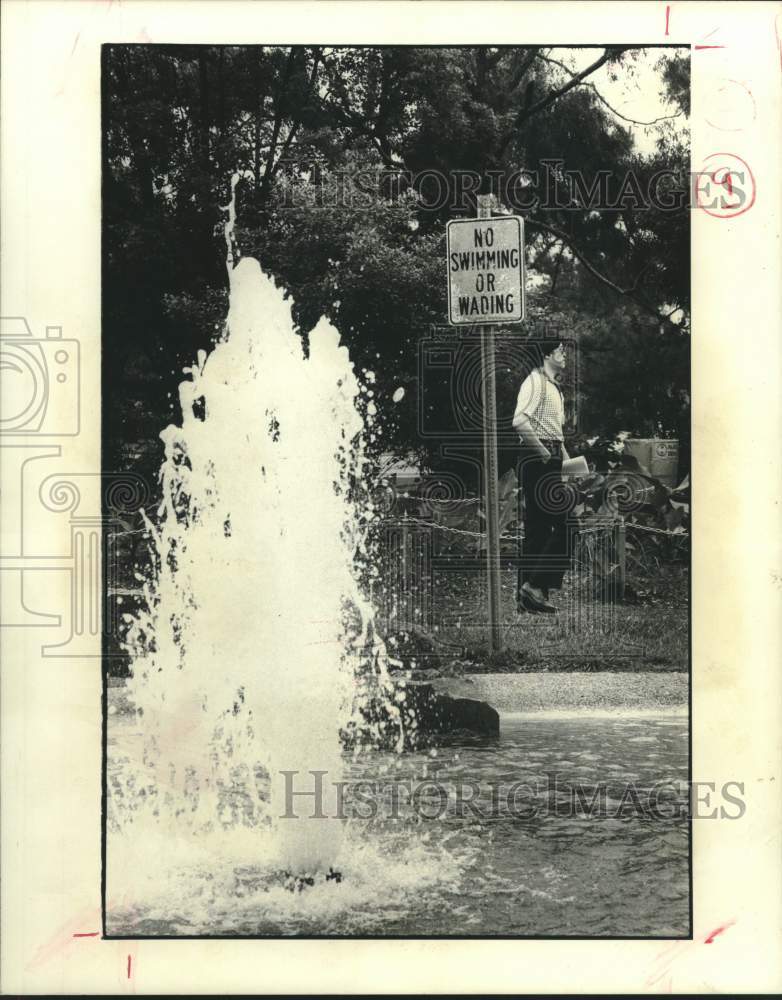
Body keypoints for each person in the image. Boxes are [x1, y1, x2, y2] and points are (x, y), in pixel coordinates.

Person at [512, 341, 574, 614]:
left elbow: (554, 433)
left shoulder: (553, 388)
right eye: (560, 350)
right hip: (537, 458)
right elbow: (519, 421)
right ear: (547, 355)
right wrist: (545, 455)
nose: (565, 355)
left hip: (550, 455)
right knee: (567, 524)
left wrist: (568, 463)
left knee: (537, 529)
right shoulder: (535, 382)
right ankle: (535, 586)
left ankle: (528, 598)